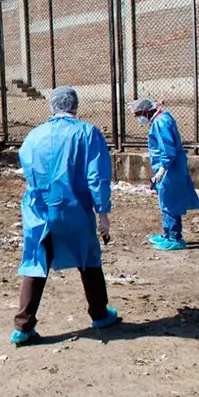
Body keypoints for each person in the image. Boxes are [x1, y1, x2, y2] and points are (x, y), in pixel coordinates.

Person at [11, 86, 122, 347]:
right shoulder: (87, 133)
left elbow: (28, 168)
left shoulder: (34, 136)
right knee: (89, 260)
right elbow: (97, 177)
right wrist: (102, 213)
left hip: (39, 210)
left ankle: (23, 326)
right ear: (75, 105)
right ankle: (99, 313)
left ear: (52, 106)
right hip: (74, 208)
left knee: (37, 263)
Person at [130, 98, 199, 251]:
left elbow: (167, 147)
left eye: (138, 115)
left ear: (146, 111)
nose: (139, 119)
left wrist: (162, 168)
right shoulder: (163, 118)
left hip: (170, 168)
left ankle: (175, 237)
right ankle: (167, 233)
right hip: (169, 167)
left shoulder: (160, 123)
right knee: (165, 201)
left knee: (170, 202)